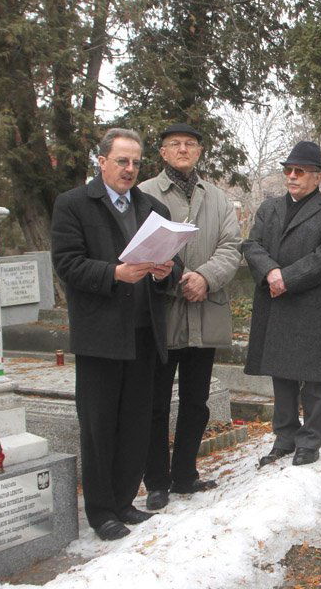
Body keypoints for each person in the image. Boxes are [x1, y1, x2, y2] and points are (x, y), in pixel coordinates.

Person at [51, 128, 181, 541]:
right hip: (102, 335)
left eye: (136, 163)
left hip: (144, 332)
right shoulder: (73, 205)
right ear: (102, 161)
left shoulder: (151, 206)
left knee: (136, 422)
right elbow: (69, 265)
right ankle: (102, 510)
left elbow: (171, 268)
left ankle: (125, 500)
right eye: (122, 161)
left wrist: (165, 272)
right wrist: (114, 274)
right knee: (99, 423)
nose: (129, 169)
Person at [139, 124, 242, 510]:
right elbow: (138, 247)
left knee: (196, 401)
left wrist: (205, 276)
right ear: (162, 153)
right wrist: (177, 278)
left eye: (190, 145)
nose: (183, 150)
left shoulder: (217, 198)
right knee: (156, 401)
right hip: (163, 315)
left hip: (205, 311)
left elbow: (232, 246)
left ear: (200, 151)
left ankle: (185, 474)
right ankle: (156, 480)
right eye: (174, 145)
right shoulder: (145, 193)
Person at [242, 141, 321, 467]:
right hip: (275, 302)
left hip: (311, 303)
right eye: (288, 170)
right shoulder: (268, 208)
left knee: (314, 378)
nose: (291, 176)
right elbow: (251, 245)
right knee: (281, 374)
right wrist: (270, 272)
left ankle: (310, 440)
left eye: (299, 171)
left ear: (317, 177)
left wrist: (286, 278)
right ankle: (285, 436)